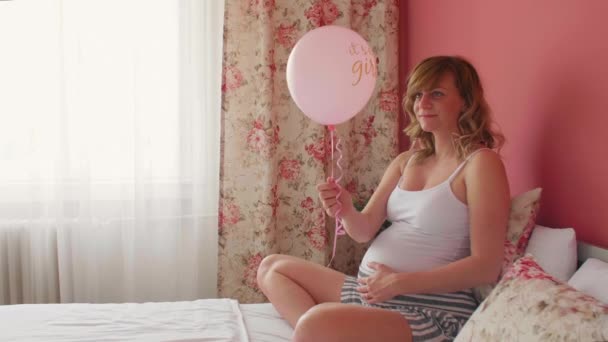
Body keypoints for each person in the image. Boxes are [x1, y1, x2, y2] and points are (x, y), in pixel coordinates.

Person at [256, 56, 510, 342]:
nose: (422, 103)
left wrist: (398, 283)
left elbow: (486, 266)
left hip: (429, 308)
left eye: (436, 94)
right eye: (417, 95)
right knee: (271, 267)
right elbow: (363, 230)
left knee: (315, 323)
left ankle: (319, 333)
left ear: (466, 101)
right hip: (372, 292)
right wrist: (346, 209)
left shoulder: (480, 164)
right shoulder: (406, 161)